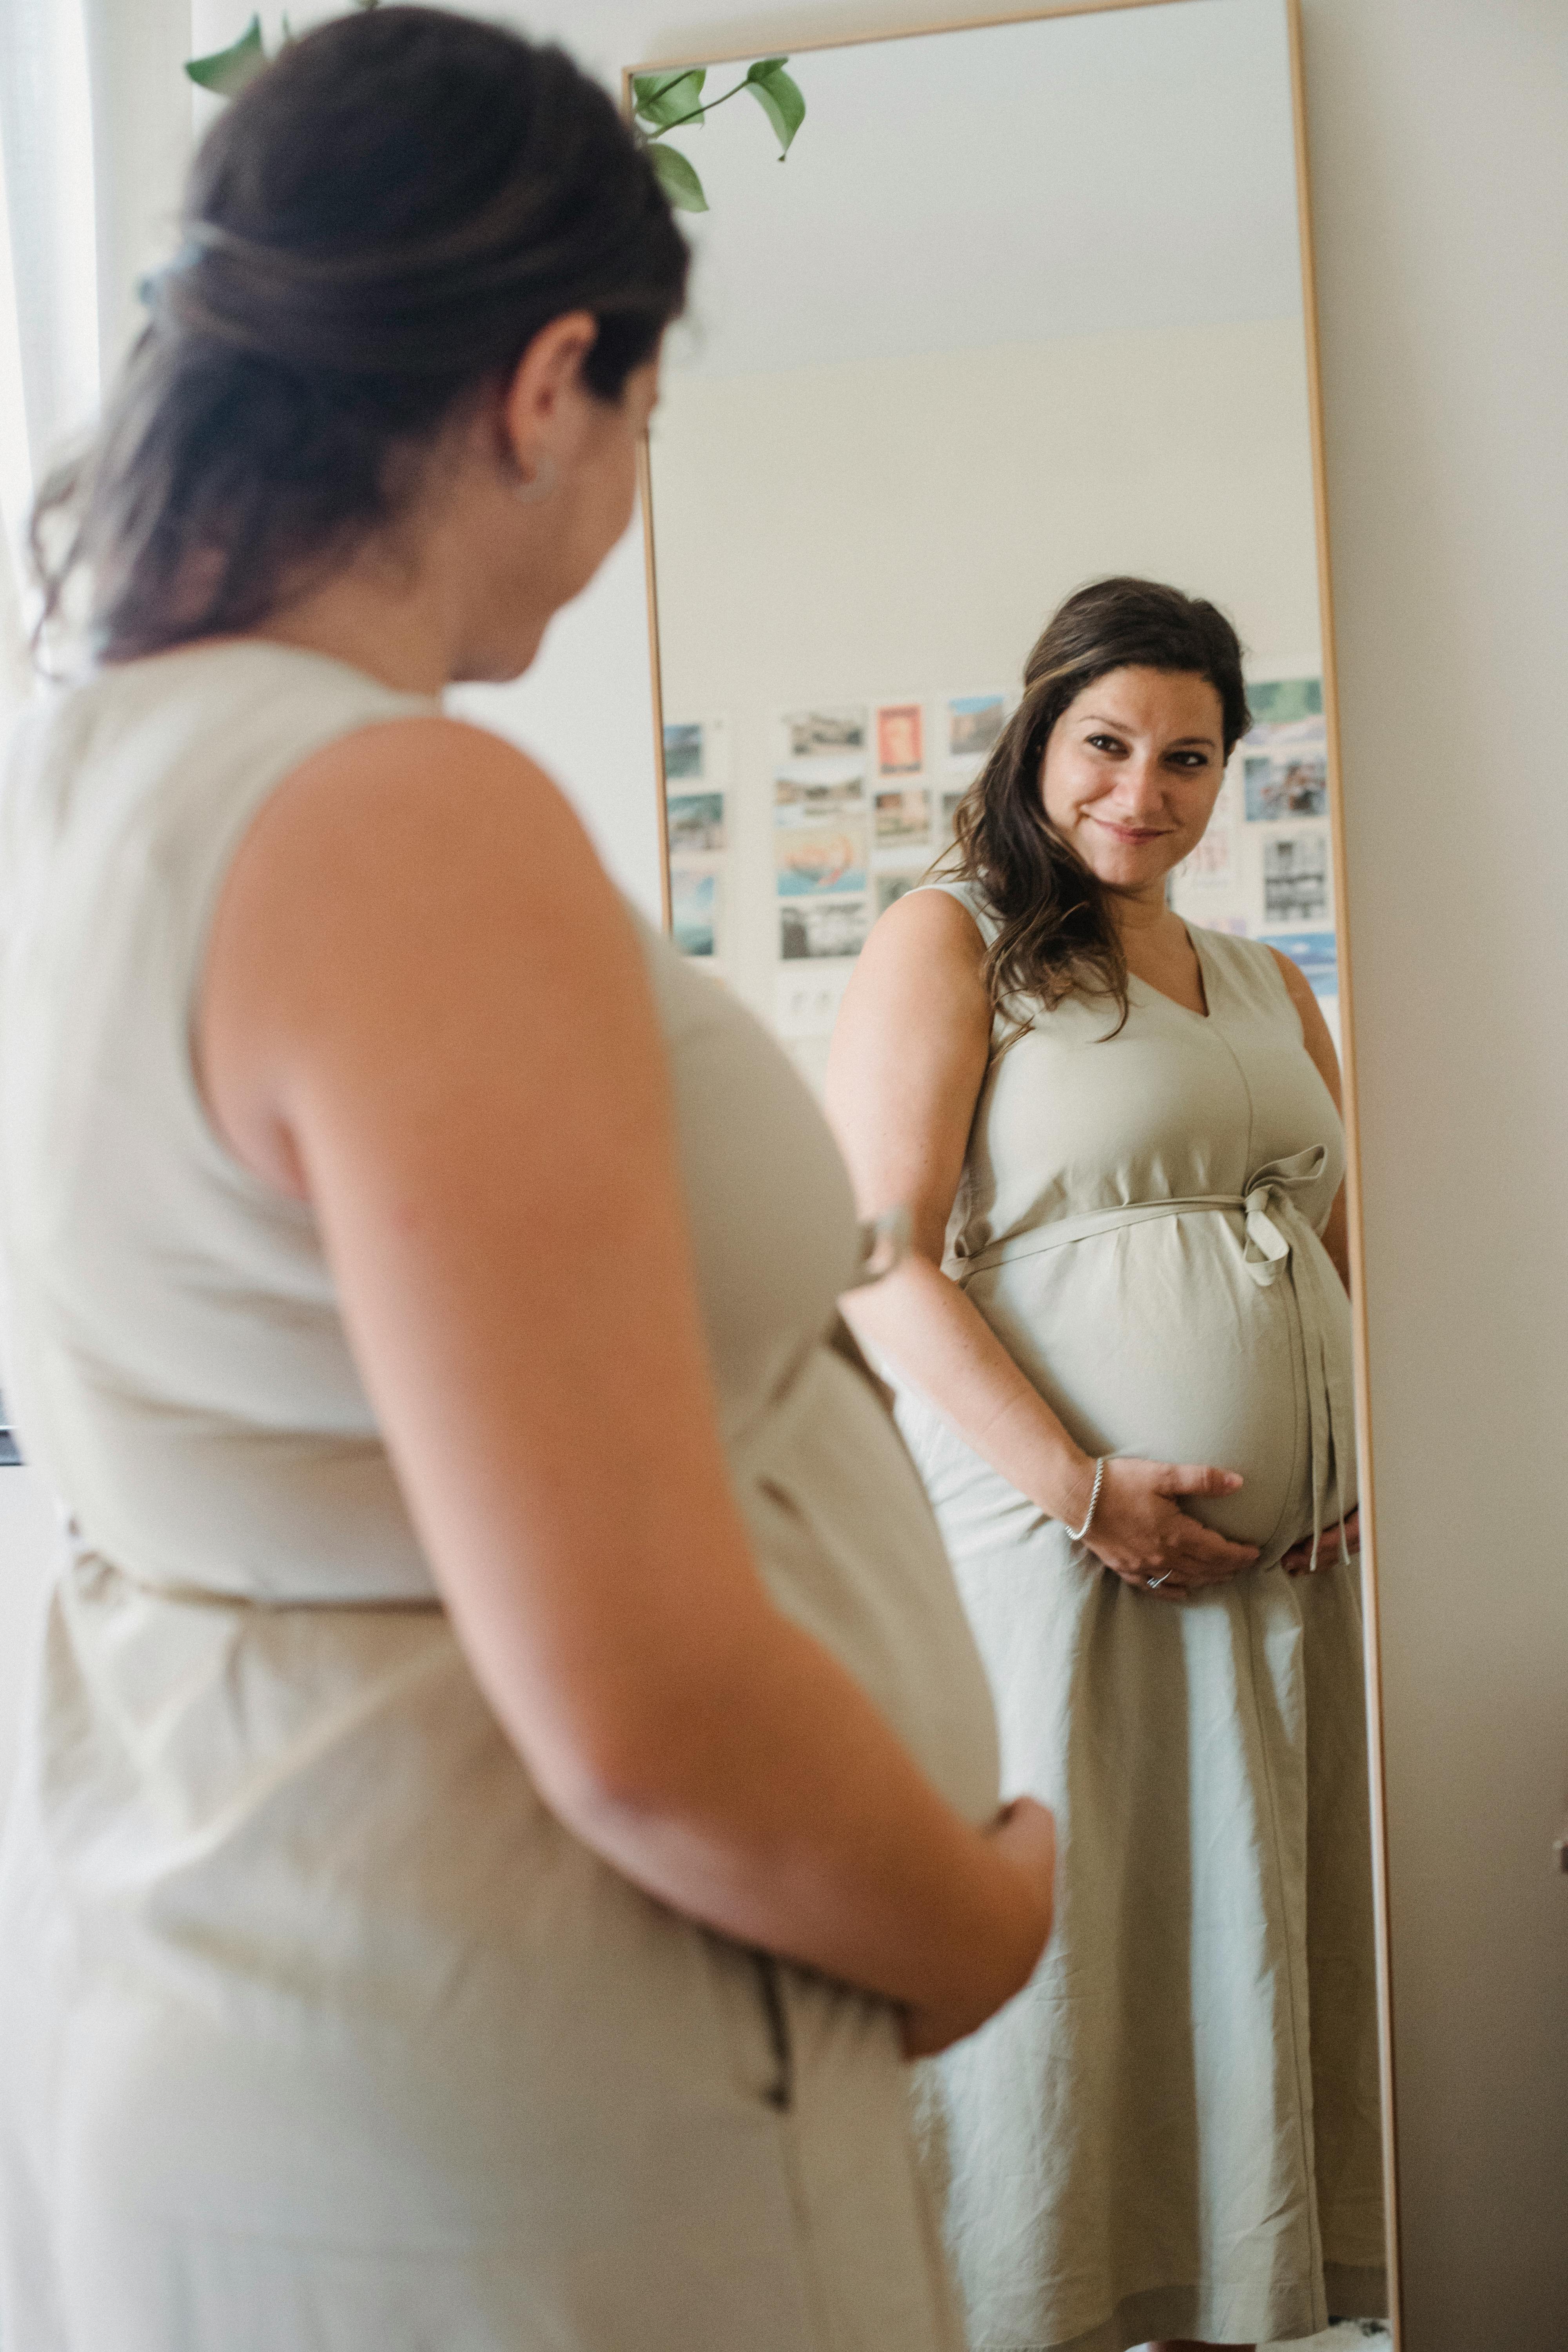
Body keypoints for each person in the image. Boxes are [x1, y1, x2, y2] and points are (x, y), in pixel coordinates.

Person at [0, 15, 1056, 2348]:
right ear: (549, 379)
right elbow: (645, 1700)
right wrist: (974, 1931)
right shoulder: (388, 817)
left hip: (286, 1981)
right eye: (645, 429)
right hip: (531, 2074)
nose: (624, 497)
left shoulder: (94, 783)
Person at [826, 577, 1385, 2352]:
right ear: (1039, 733)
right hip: (1054, 1538)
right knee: (1094, 1956)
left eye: (1191, 757)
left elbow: (1348, 1238)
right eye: (1107, 744)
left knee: (1249, 1942)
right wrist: (1084, 1489)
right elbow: (878, 1257)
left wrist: (1362, 1446)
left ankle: (1229, 2305)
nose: (1144, 790)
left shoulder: (1261, 975)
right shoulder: (953, 937)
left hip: (1288, 1575)